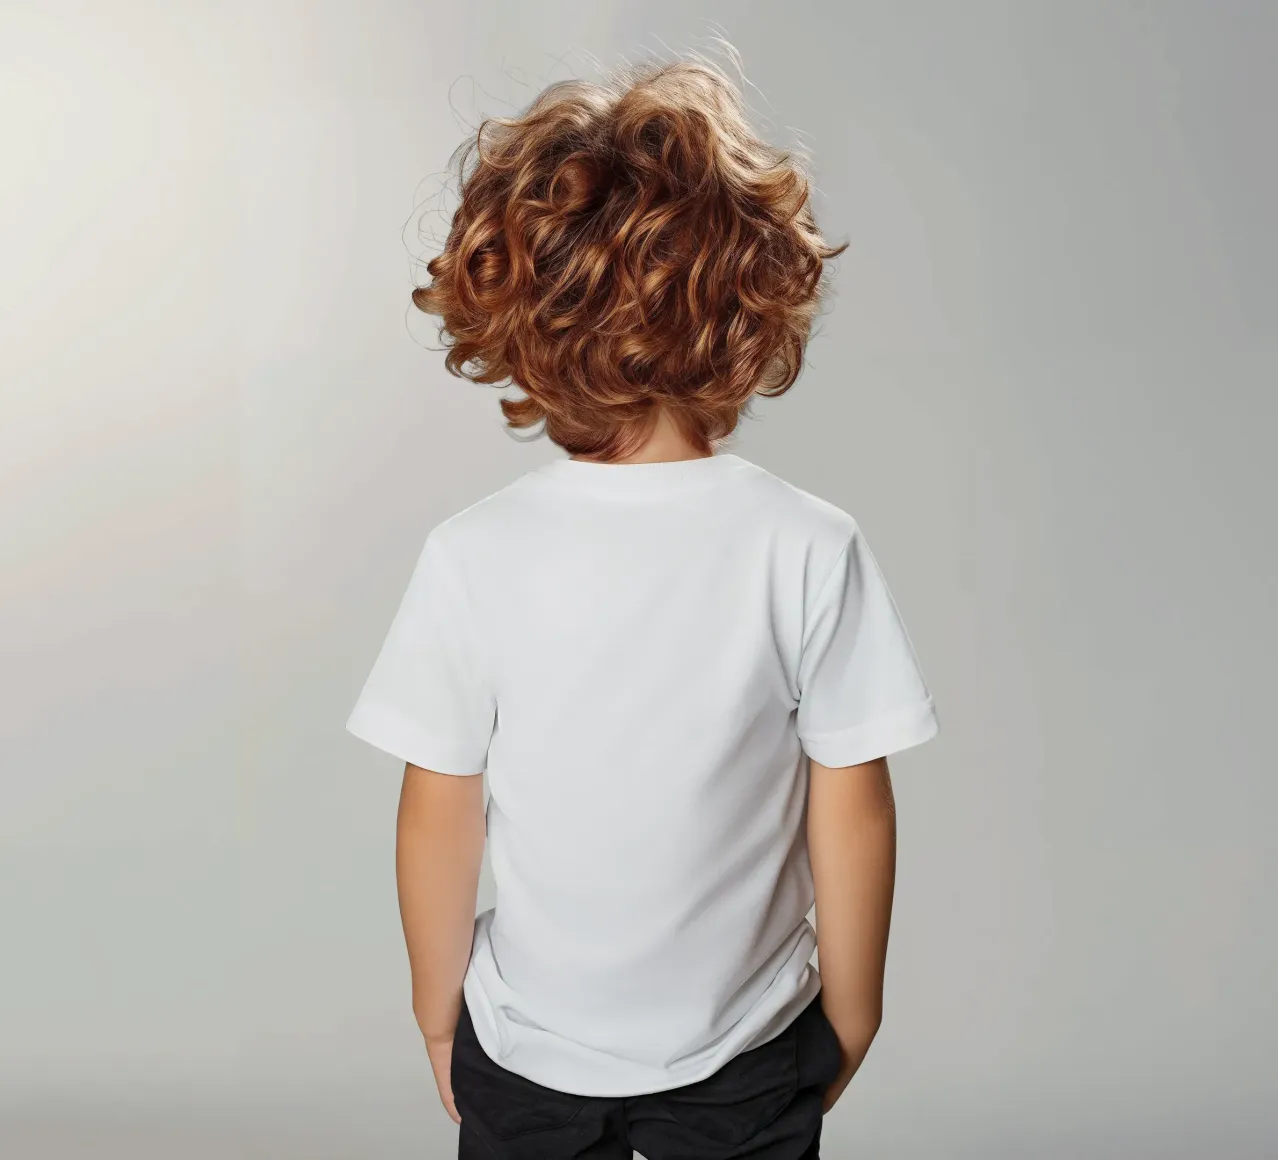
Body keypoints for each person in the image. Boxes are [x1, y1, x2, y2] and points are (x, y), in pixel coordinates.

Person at [346, 51, 940, 1160]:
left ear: (513, 309)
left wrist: (438, 1009)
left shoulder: (473, 552)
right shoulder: (805, 543)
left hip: (522, 1044)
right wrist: (852, 1008)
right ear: (744, 296)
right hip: (749, 1048)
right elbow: (850, 801)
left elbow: (440, 806)